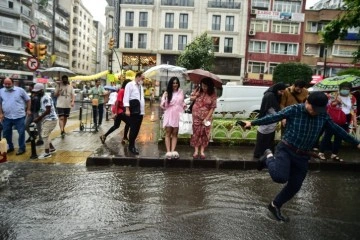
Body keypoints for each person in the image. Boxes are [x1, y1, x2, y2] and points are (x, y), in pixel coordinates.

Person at [243, 91, 360, 222]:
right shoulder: (295, 109)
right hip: (286, 149)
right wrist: (252, 123)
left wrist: (356, 143)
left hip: (303, 155)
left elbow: (337, 130)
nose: (316, 112)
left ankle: (274, 205)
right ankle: (268, 156)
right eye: (313, 108)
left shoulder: (323, 115)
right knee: (280, 177)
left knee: (295, 185)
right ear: (307, 102)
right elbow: (274, 117)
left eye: (319, 109)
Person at [318, 82, 358, 161]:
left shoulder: (352, 97)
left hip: (345, 118)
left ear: (350, 90)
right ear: (340, 89)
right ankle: (321, 152)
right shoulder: (333, 95)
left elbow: (353, 110)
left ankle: (334, 154)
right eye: (343, 89)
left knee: (339, 136)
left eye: (347, 89)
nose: (345, 90)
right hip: (333, 118)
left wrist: (354, 121)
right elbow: (327, 106)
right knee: (328, 135)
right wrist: (336, 102)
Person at [253, 82, 286, 159]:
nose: (282, 93)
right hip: (267, 120)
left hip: (271, 121)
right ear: (277, 89)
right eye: (281, 91)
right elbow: (271, 108)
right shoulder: (270, 95)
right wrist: (279, 116)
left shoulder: (272, 94)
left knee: (268, 138)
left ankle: (266, 154)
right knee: (264, 138)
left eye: (283, 92)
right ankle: (260, 154)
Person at [0, 78, 31, 155]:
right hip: (7, 116)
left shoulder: (20, 90)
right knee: (6, 133)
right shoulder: (1, 91)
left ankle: (22, 148)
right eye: (5, 84)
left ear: (13, 83)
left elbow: (28, 100)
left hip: (19, 116)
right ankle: (10, 147)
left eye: (9, 84)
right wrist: (1, 113)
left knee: (21, 133)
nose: (7, 85)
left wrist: (28, 109)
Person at [189, 78, 217, 159]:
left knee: (204, 133)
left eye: (206, 86)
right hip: (196, 115)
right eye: (203, 86)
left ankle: (202, 151)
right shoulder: (198, 90)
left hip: (206, 117)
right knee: (196, 133)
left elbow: (212, 107)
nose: (204, 88)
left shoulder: (213, 94)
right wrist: (196, 95)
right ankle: (196, 150)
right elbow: (191, 98)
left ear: (210, 86)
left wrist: (207, 118)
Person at [160, 77, 185, 159]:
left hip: (178, 114)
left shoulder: (181, 92)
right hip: (169, 114)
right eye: (173, 83)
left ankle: (173, 151)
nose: (175, 84)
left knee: (175, 133)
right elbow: (163, 106)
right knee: (168, 133)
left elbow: (182, 102)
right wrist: (166, 98)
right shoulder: (166, 93)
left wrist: (184, 105)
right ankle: (168, 152)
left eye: (176, 83)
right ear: (171, 84)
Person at [100, 80, 131, 144]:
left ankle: (104, 136)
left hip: (121, 110)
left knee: (116, 126)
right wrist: (116, 113)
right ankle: (125, 138)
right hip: (119, 110)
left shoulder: (125, 91)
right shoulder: (122, 91)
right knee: (129, 122)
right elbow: (117, 102)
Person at [32, 83, 58, 159]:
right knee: (46, 135)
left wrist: (38, 118)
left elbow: (48, 110)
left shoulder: (46, 98)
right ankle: (52, 148)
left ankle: (47, 153)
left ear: (42, 90)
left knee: (44, 135)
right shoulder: (42, 97)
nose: (36, 93)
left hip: (50, 119)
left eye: (38, 91)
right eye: (35, 91)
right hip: (47, 119)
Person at [123, 72, 145, 155]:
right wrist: (127, 109)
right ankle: (131, 146)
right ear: (138, 77)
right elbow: (126, 97)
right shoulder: (130, 85)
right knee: (133, 128)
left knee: (137, 129)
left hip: (140, 111)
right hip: (133, 110)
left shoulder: (140, 87)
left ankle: (132, 144)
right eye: (142, 78)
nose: (143, 80)